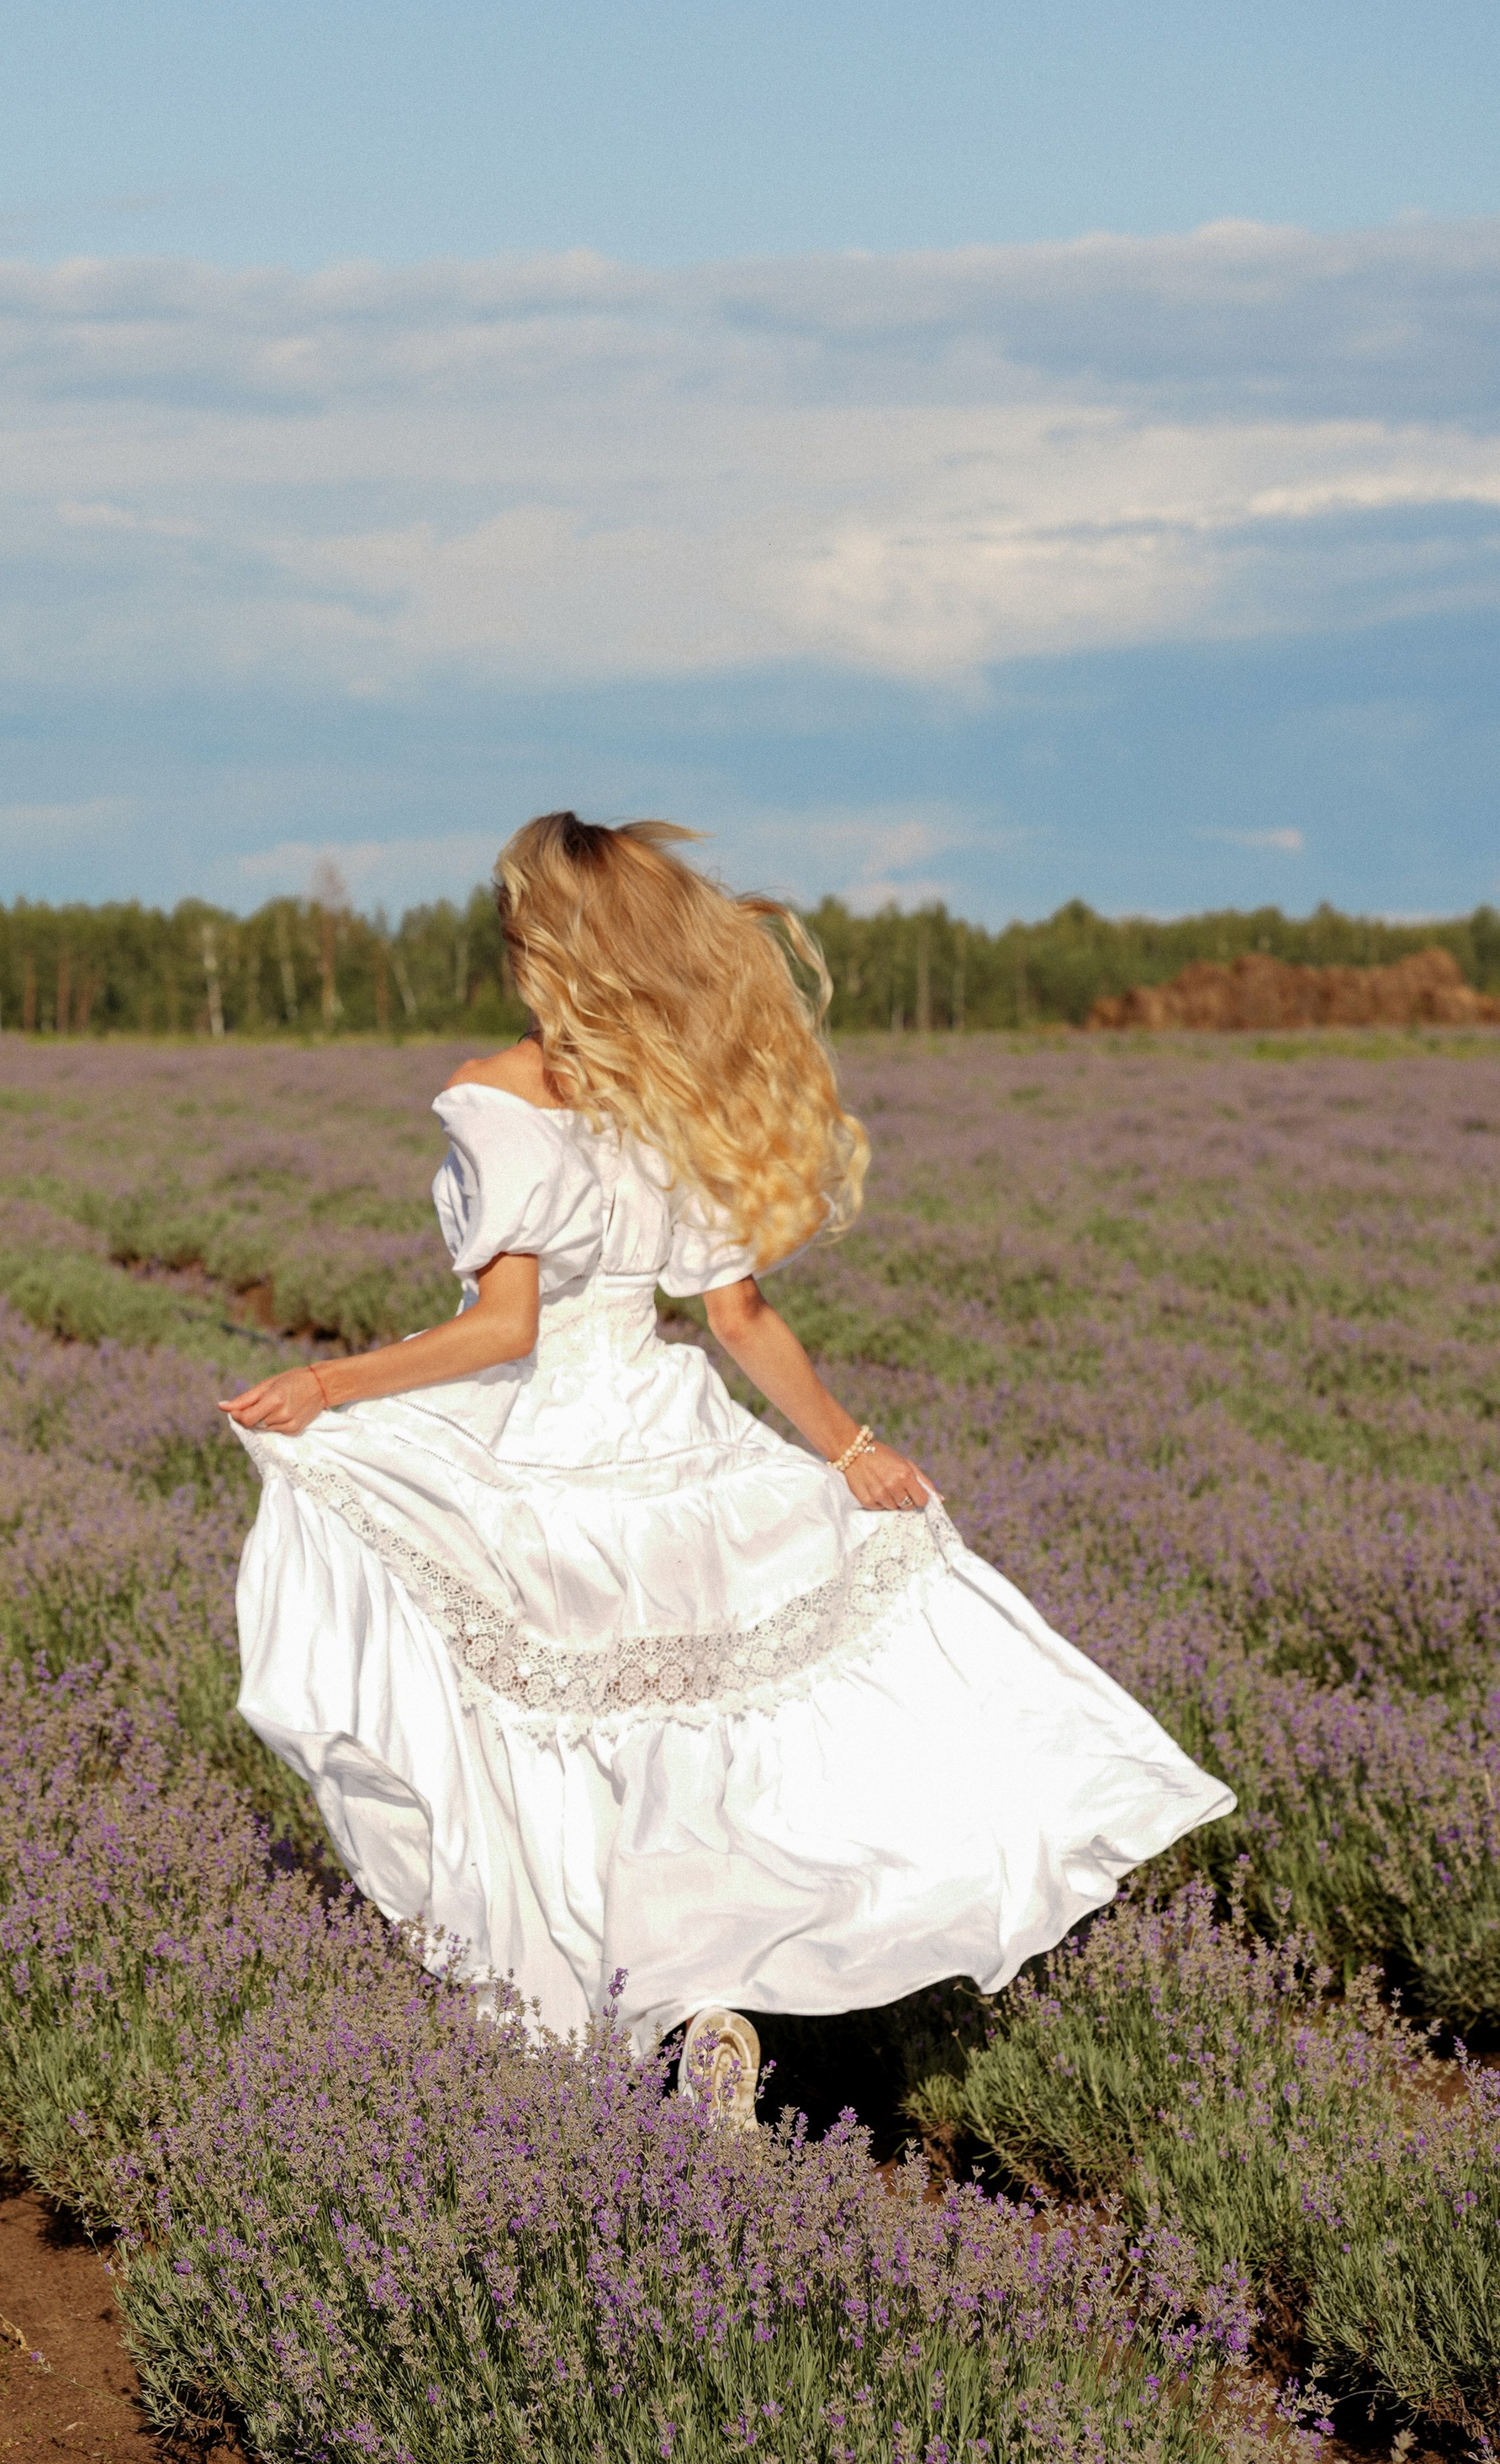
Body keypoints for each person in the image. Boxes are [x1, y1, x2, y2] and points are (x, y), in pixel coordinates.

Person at [218, 815, 1233, 2126]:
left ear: (547, 944)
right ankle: (713, 2004)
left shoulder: (494, 1096)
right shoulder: (666, 1101)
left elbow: (504, 1331)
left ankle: (663, 2007)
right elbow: (739, 1317)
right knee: (699, 1744)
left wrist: (325, 1384)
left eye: (517, 920)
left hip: (550, 1449)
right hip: (679, 1440)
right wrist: (855, 1451)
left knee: (575, 1751)